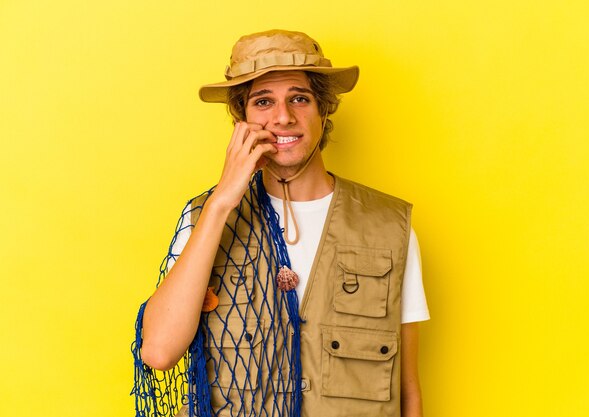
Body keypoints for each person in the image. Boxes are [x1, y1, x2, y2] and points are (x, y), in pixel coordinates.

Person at [132, 29, 429, 417]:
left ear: (324, 110)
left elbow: (408, 392)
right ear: (242, 119)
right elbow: (158, 352)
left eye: (300, 99)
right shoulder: (205, 217)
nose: (283, 117)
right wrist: (222, 200)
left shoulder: (390, 226)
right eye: (263, 101)